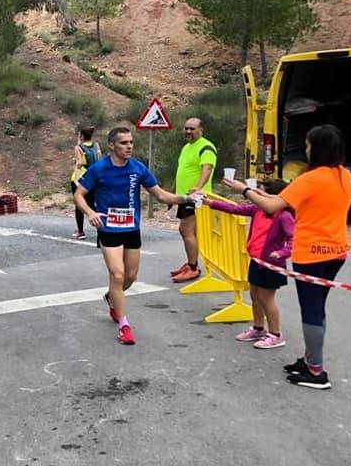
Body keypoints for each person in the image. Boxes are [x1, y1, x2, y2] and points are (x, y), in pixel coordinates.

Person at [223, 124, 351, 390]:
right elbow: (283, 199)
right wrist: (261, 193)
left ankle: (316, 371)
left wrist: (244, 191)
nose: (305, 149)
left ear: (316, 148)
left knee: (312, 310)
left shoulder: (310, 179)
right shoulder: (344, 176)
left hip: (312, 254)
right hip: (336, 252)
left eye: (307, 144)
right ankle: (310, 359)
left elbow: (272, 206)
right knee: (319, 307)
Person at [74, 127, 188, 345]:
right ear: (112, 145)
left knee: (130, 277)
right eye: (124, 143)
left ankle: (111, 297)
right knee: (117, 275)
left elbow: (161, 195)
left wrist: (186, 198)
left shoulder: (138, 168)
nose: (129, 147)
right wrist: (90, 212)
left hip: (131, 229)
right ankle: (124, 325)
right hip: (108, 228)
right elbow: (79, 195)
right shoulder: (99, 168)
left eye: (131, 143)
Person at [199, 179, 295, 349]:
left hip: (272, 266)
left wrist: (281, 253)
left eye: (260, 193)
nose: (257, 197)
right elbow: (235, 208)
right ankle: (258, 328)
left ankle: (276, 334)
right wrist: (210, 203)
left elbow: (293, 240)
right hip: (256, 262)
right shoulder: (257, 210)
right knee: (255, 296)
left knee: (267, 299)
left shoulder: (284, 216)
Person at [171, 117, 217, 283]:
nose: (188, 131)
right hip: (184, 197)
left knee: (186, 230)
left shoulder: (206, 147)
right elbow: (182, 170)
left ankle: (193, 267)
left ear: (201, 130)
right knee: (190, 232)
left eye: (192, 128)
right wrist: (172, 194)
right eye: (186, 128)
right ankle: (192, 263)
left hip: (195, 198)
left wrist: (198, 186)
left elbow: (207, 167)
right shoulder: (187, 147)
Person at [69, 126, 100, 240]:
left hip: (82, 177)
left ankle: (81, 232)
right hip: (94, 177)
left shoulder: (78, 148)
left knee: (79, 204)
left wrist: (76, 179)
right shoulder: (96, 146)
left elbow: (79, 163)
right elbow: (99, 161)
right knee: (92, 204)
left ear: (81, 135)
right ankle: (101, 230)